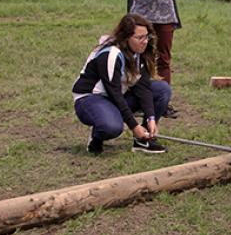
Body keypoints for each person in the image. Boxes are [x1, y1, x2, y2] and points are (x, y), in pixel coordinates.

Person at [73, 13, 172, 155]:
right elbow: (114, 93)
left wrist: (151, 118)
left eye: (147, 36)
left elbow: (143, 88)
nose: (145, 41)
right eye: (139, 38)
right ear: (126, 38)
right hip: (91, 98)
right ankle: (97, 135)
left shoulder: (140, 52)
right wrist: (134, 126)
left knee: (162, 89)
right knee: (112, 127)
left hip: (117, 96)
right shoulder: (111, 54)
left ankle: (143, 141)